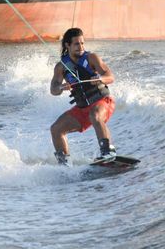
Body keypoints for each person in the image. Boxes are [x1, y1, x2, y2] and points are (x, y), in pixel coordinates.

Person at [50, 28, 116, 165]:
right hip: (82, 109)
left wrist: (100, 79)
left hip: (102, 102)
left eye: (82, 43)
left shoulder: (92, 58)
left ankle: (108, 152)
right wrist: (62, 87)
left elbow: (110, 76)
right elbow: (53, 89)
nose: (81, 47)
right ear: (67, 45)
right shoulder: (61, 67)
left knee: (95, 115)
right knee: (56, 129)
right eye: (76, 44)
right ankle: (64, 164)